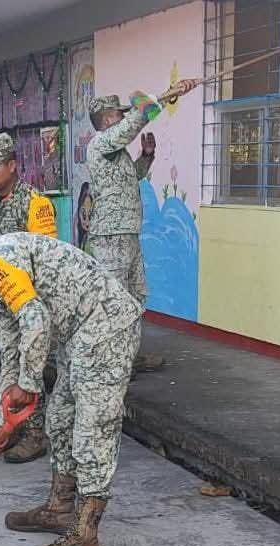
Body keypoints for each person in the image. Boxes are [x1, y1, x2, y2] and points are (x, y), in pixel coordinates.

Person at [0, 223, 142, 546]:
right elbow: (11, 353)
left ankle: (84, 538)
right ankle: (59, 509)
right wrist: (2, 424)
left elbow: (36, 319)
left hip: (107, 326)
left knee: (92, 432)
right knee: (58, 421)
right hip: (80, 334)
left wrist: (28, 384)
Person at [85, 79, 200, 374]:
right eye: (119, 114)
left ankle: (128, 356)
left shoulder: (116, 152)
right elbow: (132, 124)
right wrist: (160, 99)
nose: (124, 117)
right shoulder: (101, 143)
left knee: (135, 297)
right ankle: (109, 362)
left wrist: (146, 158)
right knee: (113, 301)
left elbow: (130, 178)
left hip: (127, 234)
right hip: (110, 238)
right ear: (109, 119)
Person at [0, 133, 58, 463]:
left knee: (24, 365)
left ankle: (34, 433)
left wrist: (33, 307)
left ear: (12, 165)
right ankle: (13, 425)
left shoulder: (36, 204)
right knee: (11, 365)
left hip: (27, 306)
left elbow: (47, 262)